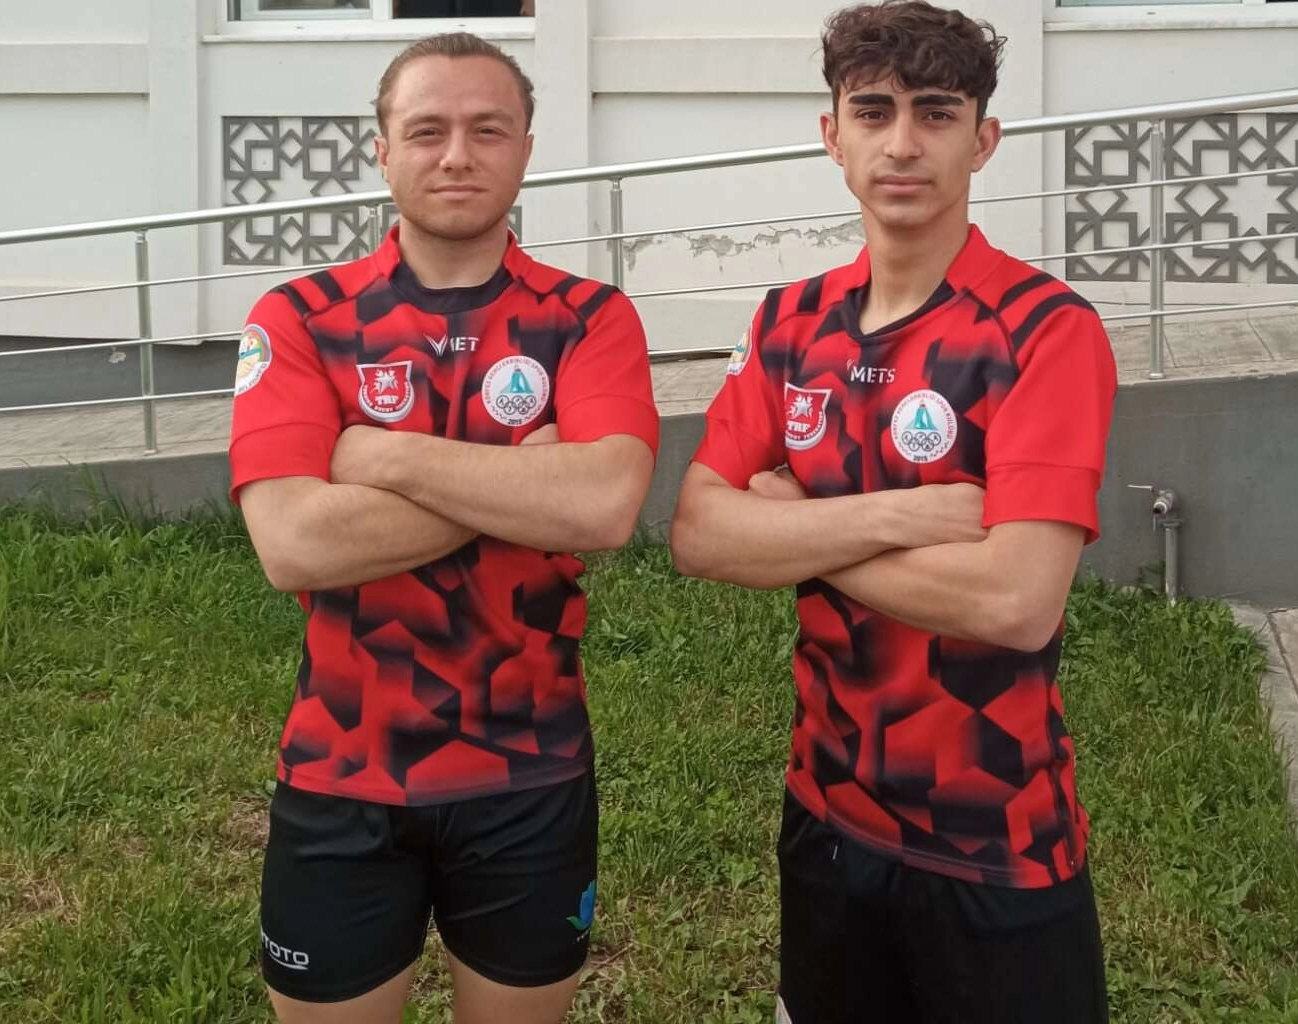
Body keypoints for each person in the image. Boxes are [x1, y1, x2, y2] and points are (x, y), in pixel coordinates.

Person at [670, 4, 1117, 1021]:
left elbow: (1016, 603)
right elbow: (697, 532)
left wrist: (797, 527)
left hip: (998, 840)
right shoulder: (789, 322)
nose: (903, 143)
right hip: (826, 817)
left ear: (983, 140)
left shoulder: (1045, 331)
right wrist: (905, 519)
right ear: (833, 135)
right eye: (873, 111)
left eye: (936, 112)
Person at [228, 32, 658, 1024]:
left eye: (487, 130)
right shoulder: (301, 317)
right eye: (427, 131)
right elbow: (294, 543)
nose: (457, 154)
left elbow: (601, 505)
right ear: (382, 151)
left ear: (526, 149)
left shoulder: (588, 318)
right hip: (344, 767)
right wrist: (522, 474)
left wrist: (380, 457)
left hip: (530, 769)